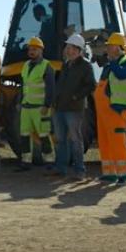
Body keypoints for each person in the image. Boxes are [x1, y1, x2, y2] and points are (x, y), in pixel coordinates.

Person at [93, 33, 126, 186]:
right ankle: (109, 173)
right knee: (105, 141)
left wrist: (111, 63)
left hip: (117, 109)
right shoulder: (109, 65)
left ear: (119, 47)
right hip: (104, 110)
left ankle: (123, 175)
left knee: (117, 142)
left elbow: (122, 75)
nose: (108, 48)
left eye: (110, 46)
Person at [50, 34, 96, 179]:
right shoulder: (66, 65)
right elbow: (60, 85)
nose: (68, 50)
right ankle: (61, 168)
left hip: (74, 109)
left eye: (71, 48)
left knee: (75, 140)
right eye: (67, 47)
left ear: (78, 50)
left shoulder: (85, 66)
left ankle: (79, 170)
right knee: (60, 139)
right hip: (60, 108)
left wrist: (76, 96)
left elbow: (91, 85)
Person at [18, 36, 55, 169]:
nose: (31, 52)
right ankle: (26, 162)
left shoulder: (46, 66)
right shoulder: (25, 65)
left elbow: (51, 87)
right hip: (26, 106)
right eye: (30, 49)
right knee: (24, 134)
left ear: (40, 51)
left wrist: (47, 105)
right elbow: (24, 86)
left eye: (34, 49)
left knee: (44, 134)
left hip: (40, 108)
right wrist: (20, 102)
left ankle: (49, 162)